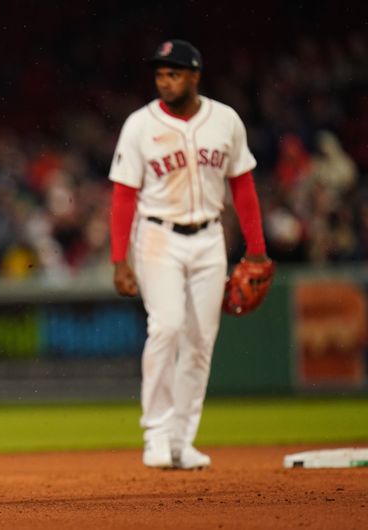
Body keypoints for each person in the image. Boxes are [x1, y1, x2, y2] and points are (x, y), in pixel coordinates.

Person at [107, 40, 269, 469]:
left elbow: (244, 187)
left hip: (210, 237)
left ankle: (182, 440)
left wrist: (257, 251)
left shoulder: (225, 120)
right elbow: (124, 196)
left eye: (173, 73)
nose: (165, 80)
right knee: (168, 326)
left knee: (200, 341)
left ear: (195, 75)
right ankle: (156, 434)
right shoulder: (140, 124)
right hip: (158, 236)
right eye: (160, 73)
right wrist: (119, 259)